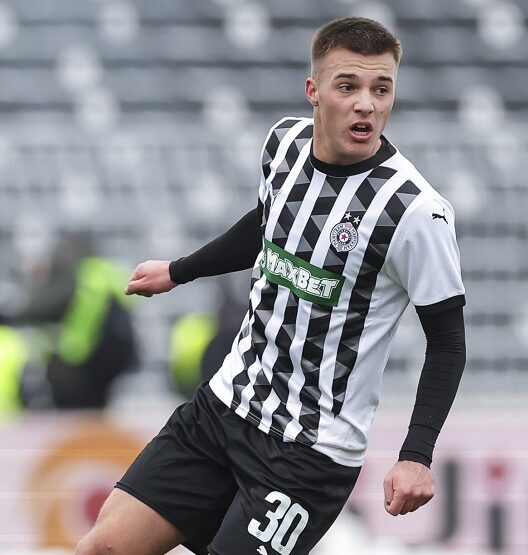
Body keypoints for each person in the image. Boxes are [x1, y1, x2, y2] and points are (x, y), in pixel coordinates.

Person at [76, 17, 467, 555]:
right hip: (225, 406)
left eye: (381, 89)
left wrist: (416, 455)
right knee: (102, 548)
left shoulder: (415, 211)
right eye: (348, 86)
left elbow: (447, 341)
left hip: (307, 453)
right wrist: (179, 270)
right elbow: (268, 223)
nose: (367, 105)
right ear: (313, 91)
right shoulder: (284, 143)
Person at [8, 230, 138, 409]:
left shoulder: (78, 274)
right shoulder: (109, 272)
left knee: (73, 403)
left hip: (81, 354)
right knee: (96, 404)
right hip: (116, 354)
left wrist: (38, 284)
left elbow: (45, 307)